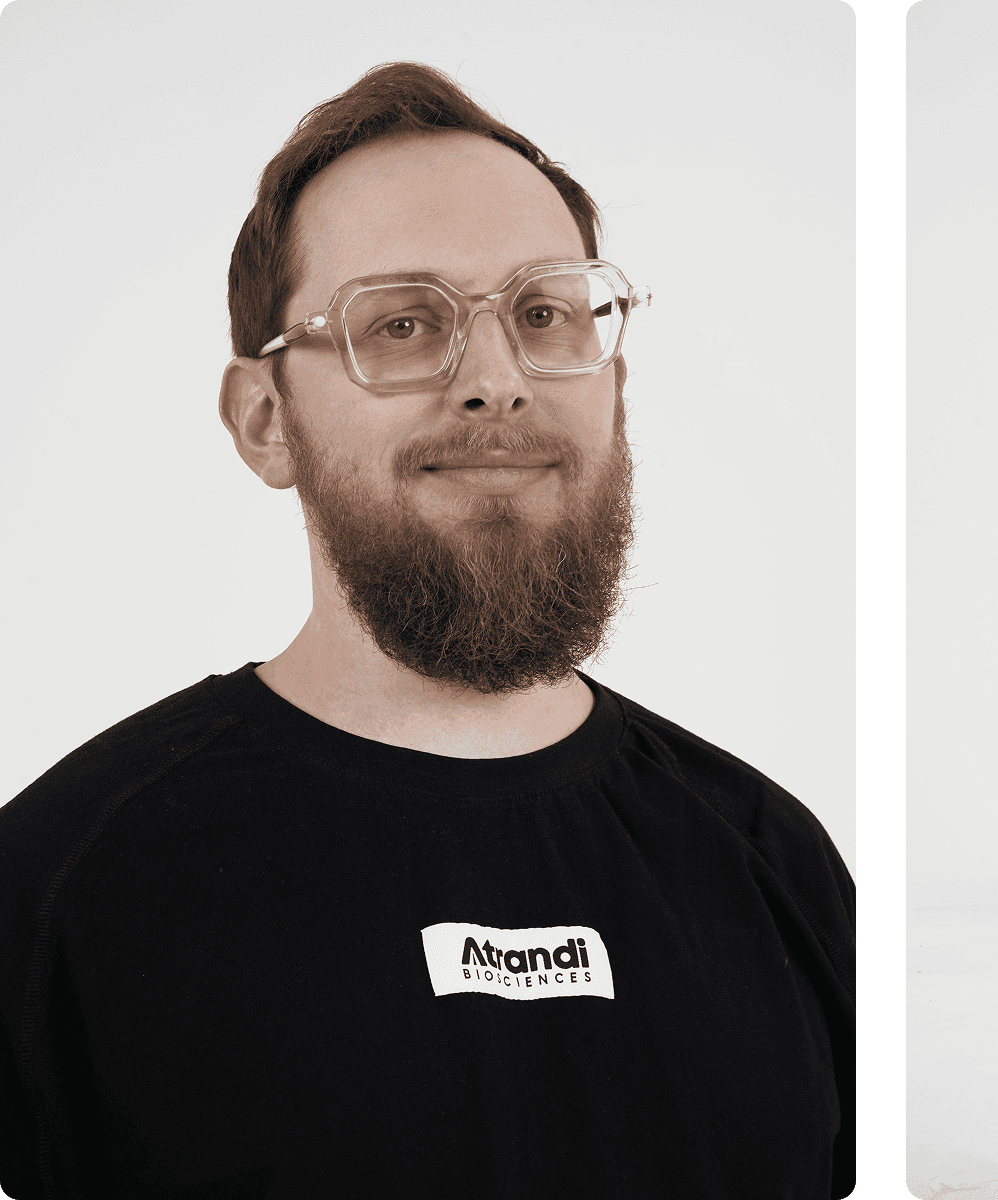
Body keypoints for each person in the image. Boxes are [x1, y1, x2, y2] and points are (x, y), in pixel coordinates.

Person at [0, 63, 853, 1199]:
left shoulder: (775, 861)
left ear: (616, 386)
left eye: (545, 314)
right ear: (267, 422)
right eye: (402, 323)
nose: (495, 381)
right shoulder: (50, 892)